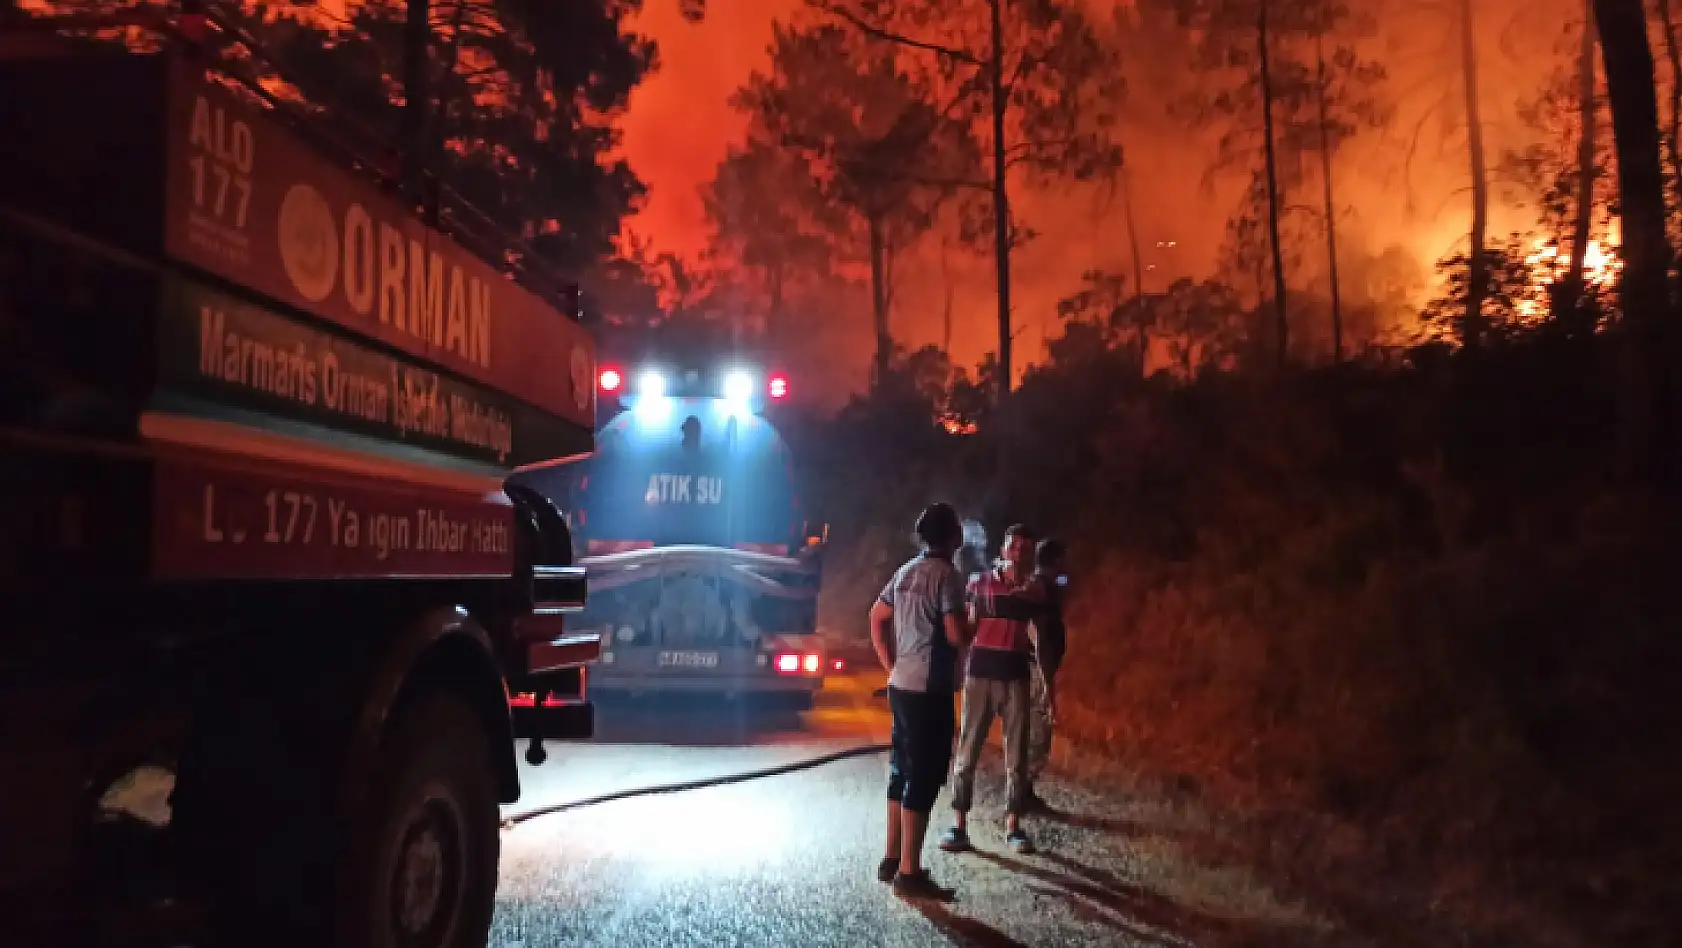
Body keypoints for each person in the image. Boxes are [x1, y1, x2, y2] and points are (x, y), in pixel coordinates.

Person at [869, 502, 973, 900]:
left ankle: (891, 856)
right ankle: (910, 873)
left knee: (901, 768)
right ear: (953, 537)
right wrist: (976, 622)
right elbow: (954, 634)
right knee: (924, 775)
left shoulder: (905, 572)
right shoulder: (947, 576)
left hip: (901, 685)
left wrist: (890, 665)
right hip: (929, 690)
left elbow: (875, 616)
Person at [940, 524, 1045, 855]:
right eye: (1014, 548)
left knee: (1017, 756)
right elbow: (966, 628)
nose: (1019, 555)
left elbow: (1038, 638)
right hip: (980, 676)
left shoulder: (1035, 592)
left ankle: (1013, 826)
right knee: (968, 751)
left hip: (1016, 677)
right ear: (1002, 551)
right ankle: (958, 825)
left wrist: (1046, 682)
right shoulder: (979, 583)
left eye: (1026, 550)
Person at [1025, 538, 1068, 810]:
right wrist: (1048, 685)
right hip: (1035, 669)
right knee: (1038, 733)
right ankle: (1021, 794)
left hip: (1034, 667)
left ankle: (1021, 793)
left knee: (1031, 731)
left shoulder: (1039, 586)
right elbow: (1038, 637)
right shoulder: (1042, 590)